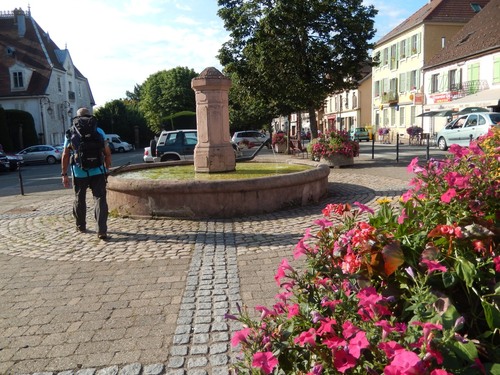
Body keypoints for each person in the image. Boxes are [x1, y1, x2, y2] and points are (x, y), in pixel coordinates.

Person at [61, 107, 112, 239]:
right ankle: (101, 230)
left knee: (79, 199)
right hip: (98, 171)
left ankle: (80, 225)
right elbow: (107, 153)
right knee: (100, 199)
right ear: (90, 116)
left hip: (79, 172)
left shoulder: (71, 131)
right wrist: (107, 169)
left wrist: (64, 174)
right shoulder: (99, 130)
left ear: (77, 117)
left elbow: (66, 155)